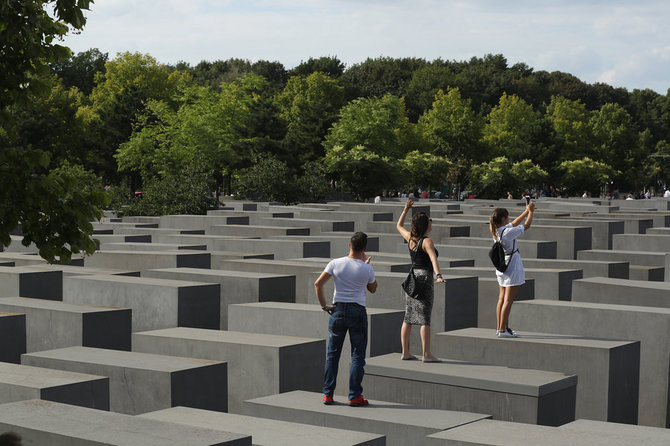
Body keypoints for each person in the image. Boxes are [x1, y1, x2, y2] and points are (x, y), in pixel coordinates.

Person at [315, 232, 377, 407]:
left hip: (338, 309)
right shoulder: (367, 268)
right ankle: (354, 396)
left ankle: (328, 394)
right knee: (357, 356)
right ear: (364, 248)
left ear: (349, 245)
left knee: (332, 354)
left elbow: (318, 284)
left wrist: (324, 305)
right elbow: (373, 288)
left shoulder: (335, 263)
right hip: (358, 311)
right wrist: (365, 266)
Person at [396, 200, 446, 362]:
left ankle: (405, 351)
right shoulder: (427, 241)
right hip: (425, 278)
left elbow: (398, 226)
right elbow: (433, 259)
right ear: (425, 225)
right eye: (430, 220)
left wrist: (405, 210)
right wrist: (438, 275)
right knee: (425, 318)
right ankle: (426, 354)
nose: (431, 222)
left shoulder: (410, 238)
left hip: (412, 278)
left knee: (408, 317)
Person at [489, 200, 535, 338]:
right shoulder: (507, 233)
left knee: (501, 298)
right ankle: (503, 330)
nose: (509, 219)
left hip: (502, 266)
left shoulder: (497, 230)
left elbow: (514, 223)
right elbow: (526, 226)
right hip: (512, 266)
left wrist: (526, 211)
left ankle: (500, 328)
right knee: (508, 300)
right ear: (503, 219)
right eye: (507, 217)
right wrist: (531, 213)